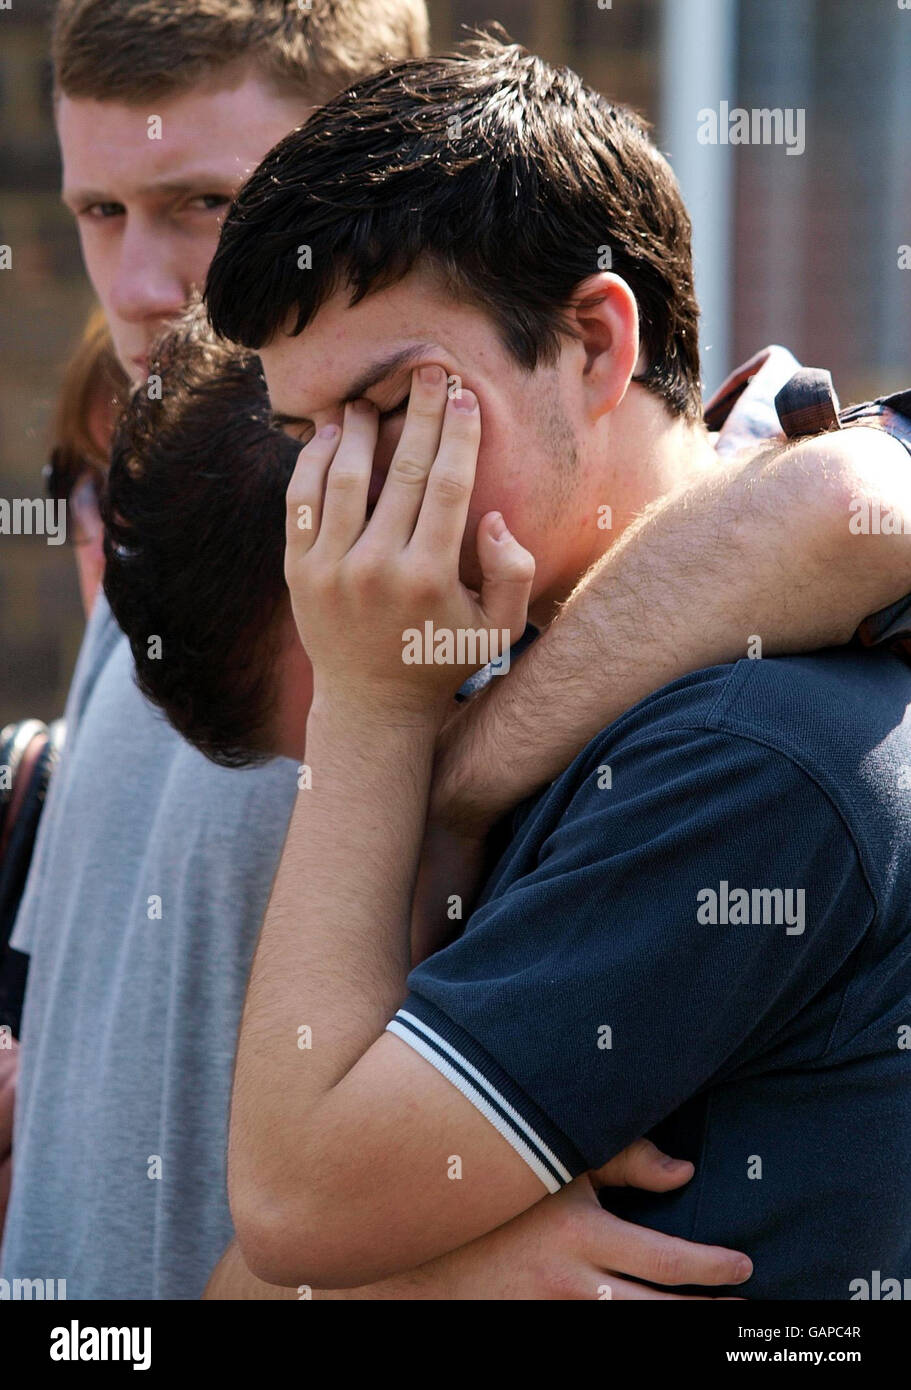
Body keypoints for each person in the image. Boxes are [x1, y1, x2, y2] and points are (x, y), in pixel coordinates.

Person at [197, 36, 911, 1298]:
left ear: (592, 344)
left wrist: (372, 709)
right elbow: (247, 1275)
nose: (344, 499)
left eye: (397, 406)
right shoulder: (535, 678)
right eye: (309, 437)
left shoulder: (734, 752)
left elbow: (297, 1207)